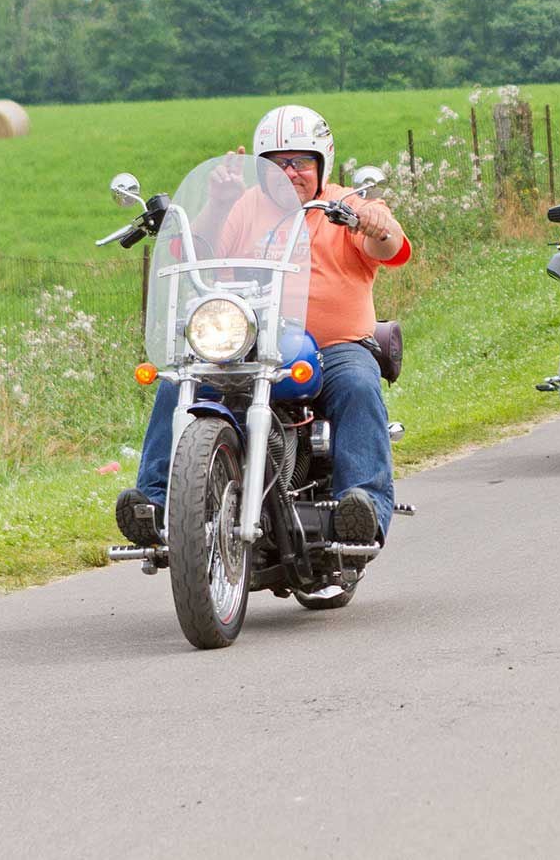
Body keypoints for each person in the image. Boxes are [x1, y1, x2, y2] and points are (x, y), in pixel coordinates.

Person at [115, 105, 412, 551]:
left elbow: (388, 246)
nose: (290, 173)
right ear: (261, 166)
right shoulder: (243, 207)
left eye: (301, 162)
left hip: (331, 347)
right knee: (177, 383)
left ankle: (363, 505)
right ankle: (154, 505)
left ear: (323, 163)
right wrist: (216, 203)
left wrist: (379, 223)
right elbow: (197, 252)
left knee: (357, 382)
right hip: (248, 345)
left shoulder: (346, 205)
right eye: (277, 163)